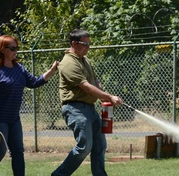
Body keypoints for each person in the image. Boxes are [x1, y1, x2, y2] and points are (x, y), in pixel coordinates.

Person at [52, 29, 123, 176]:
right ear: (74, 43)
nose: (88, 47)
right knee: (84, 146)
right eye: (85, 44)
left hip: (90, 109)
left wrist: (103, 95)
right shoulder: (68, 63)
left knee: (99, 146)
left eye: (89, 44)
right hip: (75, 109)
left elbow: (94, 82)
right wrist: (109, 97)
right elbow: (85, 87)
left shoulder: (85, 60)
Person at [0, 35, 59, 176]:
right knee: (0, 152)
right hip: (0, 120)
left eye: (17, 48)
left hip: (14, 119)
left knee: (18, 152)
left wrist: (52, 70)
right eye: (12, 48)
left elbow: (34, 82)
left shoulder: (18, 68)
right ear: (2, 49)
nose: (16, 51)